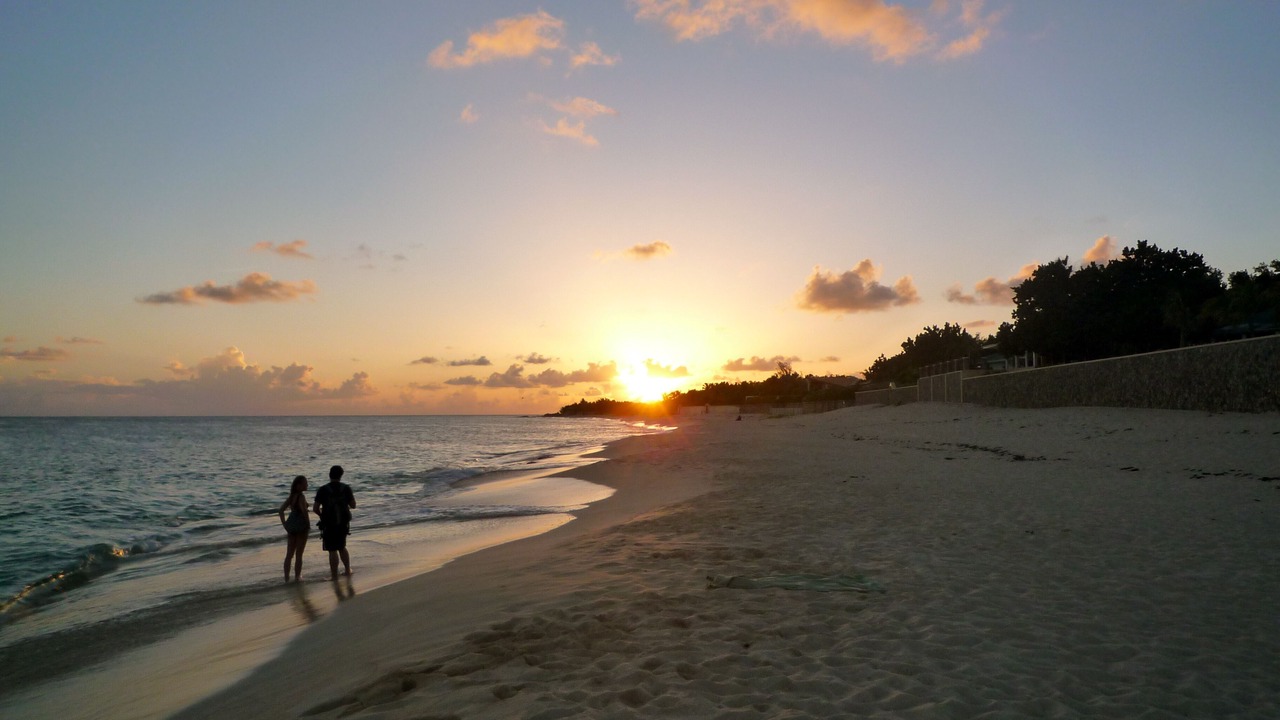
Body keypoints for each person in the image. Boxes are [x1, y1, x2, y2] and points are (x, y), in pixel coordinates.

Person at [313, 465, 356, 580]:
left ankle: (334, 575)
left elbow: (315, 508)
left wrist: (322, 516)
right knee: (342, 547)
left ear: (329, 475)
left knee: (332, 549)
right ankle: (347, 570)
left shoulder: (323, 489)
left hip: (328, 523)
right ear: (341, 475)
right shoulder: (346, 488)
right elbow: (353, 505)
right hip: (343, 522)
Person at [277, 475, 310, 581]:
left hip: (292, 527)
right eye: (305, 483)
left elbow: (281, 510)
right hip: (301, 527)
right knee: (299, 554)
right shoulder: (301, 497)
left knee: (289, 555)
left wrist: (285, 525)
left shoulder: (292, 497)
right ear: (299, 485)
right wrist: (308, 524)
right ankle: (297, 577)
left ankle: (286, 578)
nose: (307, 485)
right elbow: (304, 512)